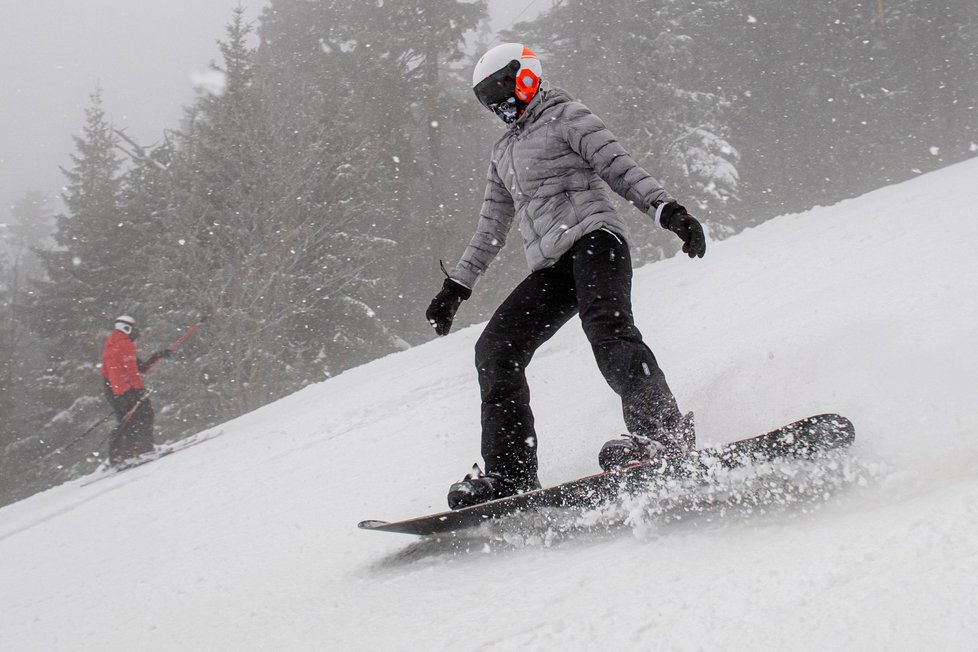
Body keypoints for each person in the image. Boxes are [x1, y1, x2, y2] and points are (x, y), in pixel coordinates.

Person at [425, 43, 707, 509]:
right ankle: (510, 474)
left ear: (527, 77)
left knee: (607, 331)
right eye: (487, 98)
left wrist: (667, 211)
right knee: (495, 350)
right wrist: (457, 286)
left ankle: (663, 437)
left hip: (596, 241)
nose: (499, 105)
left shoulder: (567, 115)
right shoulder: (503, 152)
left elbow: (620, 169)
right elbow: (491, 227)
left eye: (502, 89)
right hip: (552, 266)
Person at [100, 315, 170, 465]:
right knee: (144, 415)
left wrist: (158, 356)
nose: (136, 333)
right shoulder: (124, 345)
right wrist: (138, 390)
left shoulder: (113, 343)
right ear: (126, 328)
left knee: (127, 421)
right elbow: (131, 372)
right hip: (123, 388)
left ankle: (123, 455)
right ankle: (145, 450)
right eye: (134, 329)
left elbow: (140, 368)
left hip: (114, 389)